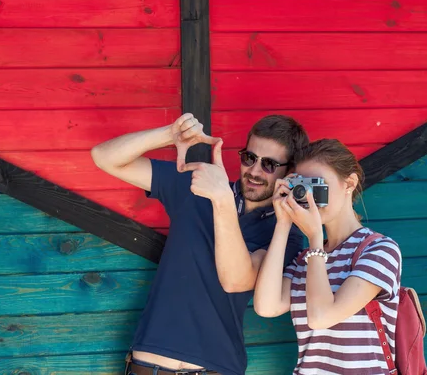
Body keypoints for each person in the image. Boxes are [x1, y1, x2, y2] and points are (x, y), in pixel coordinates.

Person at [91, 113, 309, 375]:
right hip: (148, 366)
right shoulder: (196, 186)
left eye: (269, 165)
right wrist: (168, 135)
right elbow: (104, 157)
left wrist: (222, 200)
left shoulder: (285, 232)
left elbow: (237, 281)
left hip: (215, 369)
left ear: (290, 172)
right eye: (249, 158)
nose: (254, 171)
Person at [253, 139, 402, 375]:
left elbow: (321, 316)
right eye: (303, 186)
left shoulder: (379, 250)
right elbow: (266, 306)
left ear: (349, 183)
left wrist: (314, 238)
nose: (310, 196)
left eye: (318, 185)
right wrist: (283, 223)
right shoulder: (306, 260)